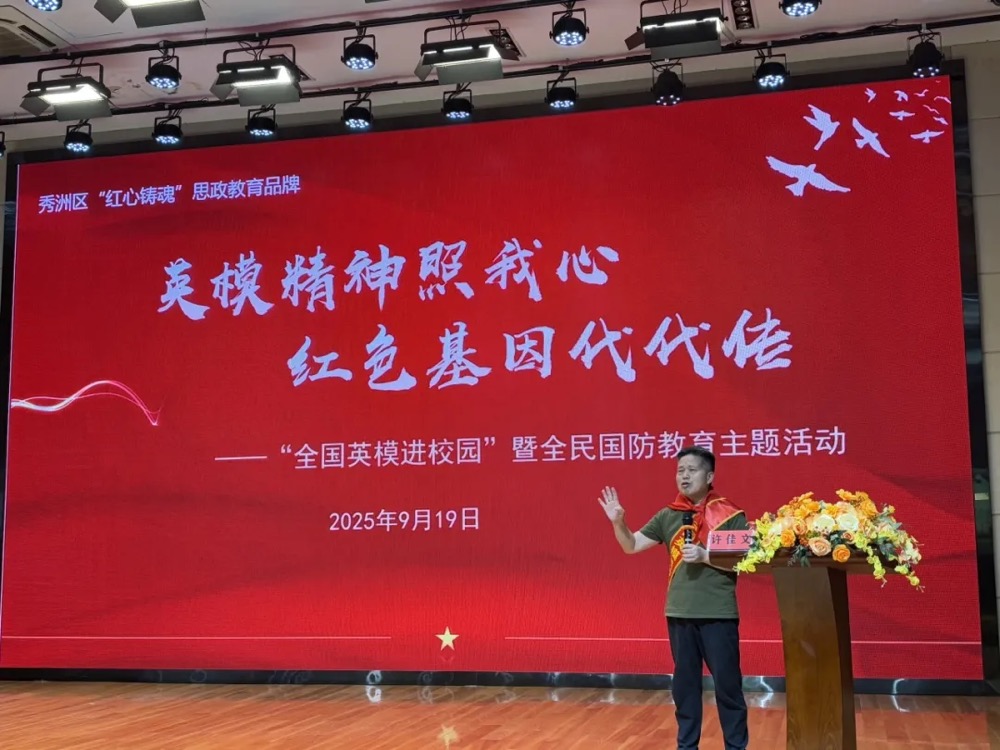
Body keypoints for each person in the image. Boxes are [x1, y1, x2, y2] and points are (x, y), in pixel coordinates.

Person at [599, 445, 750, 750]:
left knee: (728, 689)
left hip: (718, 614)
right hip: (679, 613)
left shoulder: (730, 515)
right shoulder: (668, 515)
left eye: (691, 470)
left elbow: (744, 561)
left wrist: (706, 556)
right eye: (680, 471)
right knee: (685, 690)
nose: (684, 476)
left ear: (710, 476)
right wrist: (618, 522)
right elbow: (631, 546)